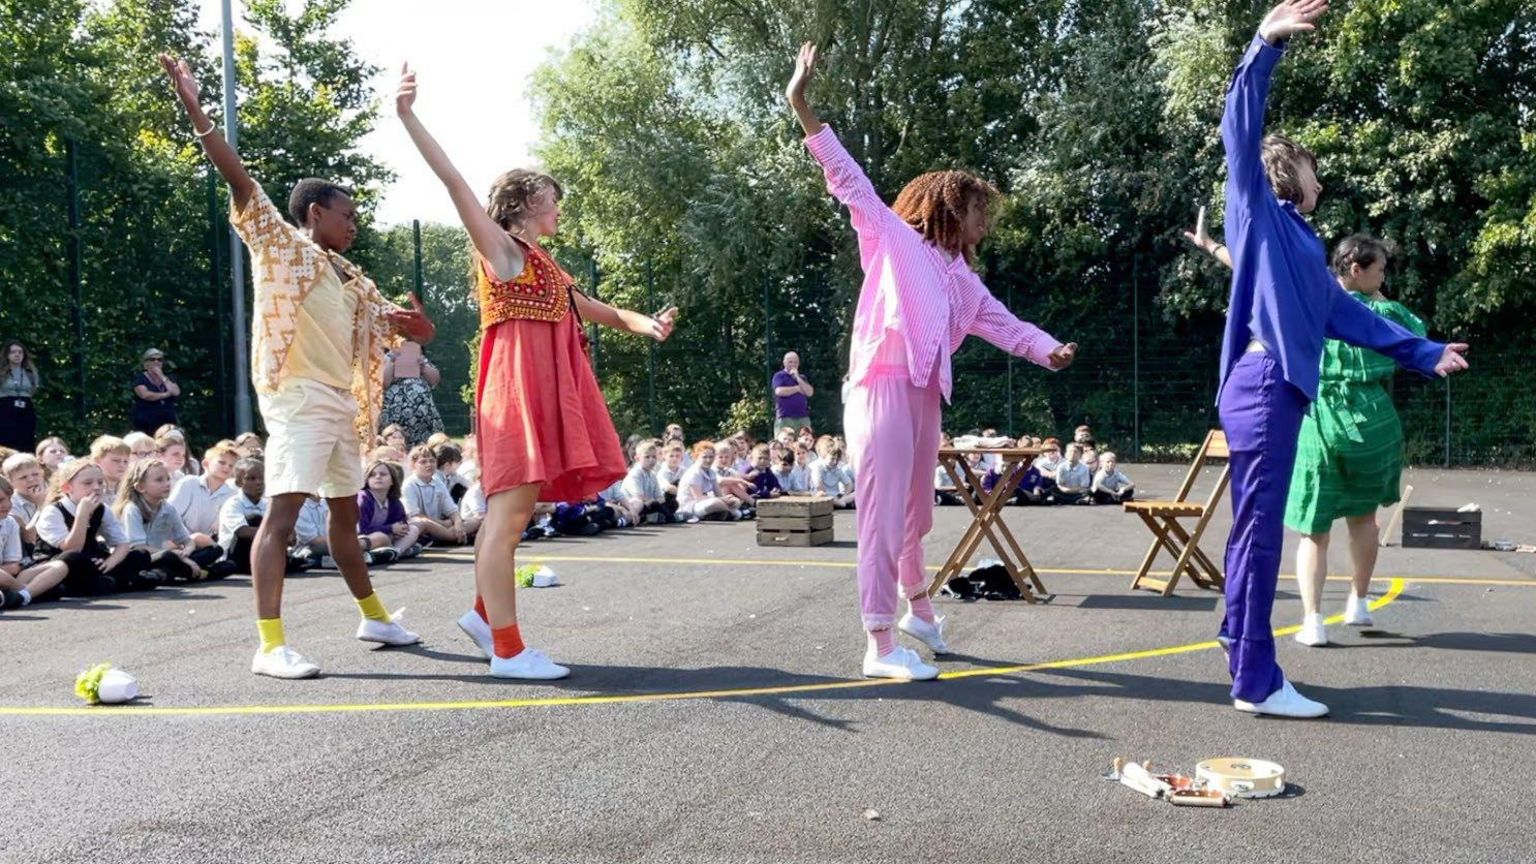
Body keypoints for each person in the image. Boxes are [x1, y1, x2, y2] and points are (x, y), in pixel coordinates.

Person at [1208, 1, 1468, 718]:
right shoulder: (1257, 208)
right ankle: (1256, 682)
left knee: (1255, 535)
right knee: (1260, 537)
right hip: (1263, 385)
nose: (1322, 173)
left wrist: (1424, 351)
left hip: (1277, 390)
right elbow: (1239, 130)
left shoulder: (1300, 244)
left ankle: (1245, 657)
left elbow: (1346, 315)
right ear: (1290, 169)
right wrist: (1264, 43)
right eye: (1312, 163)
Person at [788, 42, 1076, 680]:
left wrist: (1045, 349)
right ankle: (879, 642)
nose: (985, 222)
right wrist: (801, 104)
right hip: (881, 385)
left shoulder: (959, 275)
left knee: (917, 507)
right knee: (884, 511)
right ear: (950, 208)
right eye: (979, 211)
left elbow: (1002, 321)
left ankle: (917, 609)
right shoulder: (893, 236)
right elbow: (848, 179)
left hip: (923, 392)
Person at [395, 63, 675, 679]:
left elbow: (593, 309)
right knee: (508, 517)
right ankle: (508, 650)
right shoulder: (501, 249)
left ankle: (482, 617)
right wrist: (409, 117)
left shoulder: (544, 262)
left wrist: (645, 323)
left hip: (544, 388)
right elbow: (452, 181)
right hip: (516, 390)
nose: (557, 206)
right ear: (523, 204)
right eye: (549, 198)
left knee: (518, 515)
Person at [161, 53, 435, 679]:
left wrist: (419, 328)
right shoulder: (282, 244)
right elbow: (238, 181)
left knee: (344, 514)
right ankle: (269, 644)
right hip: (298, 396)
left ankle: (372, 615)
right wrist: (196, 109)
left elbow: (408, 328)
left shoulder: (351, 278)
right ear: (316, 213)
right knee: (281, 517)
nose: (355, 223)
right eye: (347, 214)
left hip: (338, 401)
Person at [1190, 222, 1430, 647]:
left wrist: (1211, 246)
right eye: (1379, 271)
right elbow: (1417, 334)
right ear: (1357, 269)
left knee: (1313, 529)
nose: (1383, 278)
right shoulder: (1385, 312)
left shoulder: (1310, 297)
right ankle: (1358, 602)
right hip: (1372, 420)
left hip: (1317, 417)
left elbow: (1252, 269)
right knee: (1364, 518)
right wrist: (1378, 300)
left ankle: (1313, 620)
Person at [35, 461, 165, 594]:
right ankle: (124, 581)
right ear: (68, 488)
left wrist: (108, 563)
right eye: (88, 483)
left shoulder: (102, 508)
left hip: (91, 560)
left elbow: (123, 544)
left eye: (100, 482)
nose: (97, 487)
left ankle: (115, 580)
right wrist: (82, 515)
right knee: (74, 558)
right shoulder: (53, 511)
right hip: (60, 561)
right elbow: (72, 548)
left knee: (140, 555)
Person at [114, 458, 219, 582]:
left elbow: (187, 540)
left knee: (216, 550)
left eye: (168, 479)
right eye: (159, 480)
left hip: (166, 556)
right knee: (167, 556)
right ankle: (203, 572)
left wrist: (187, 551)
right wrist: (179, 556)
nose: (167, 483)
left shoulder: (168, 508)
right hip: (142, 558)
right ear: (140, 487)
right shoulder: (132, 509)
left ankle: (170, 573)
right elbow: (138, 547)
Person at [0, 477, 69, 609]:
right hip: (7, 579)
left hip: (8, 578)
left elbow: (13, 566)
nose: (7, 505)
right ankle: (28, 592)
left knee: (59, 566)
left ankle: (21, 596)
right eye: (0, 500)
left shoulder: (10, 523)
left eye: (9, 499)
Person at [168, 441, 239, 549]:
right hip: (174, 540)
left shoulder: (232, 495)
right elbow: (169, 516)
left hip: (204, 545)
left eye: (231, 465)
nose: (227, 467)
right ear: (206, 464)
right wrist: (189, 539)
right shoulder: (189, 483)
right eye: (222, 462)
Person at [379, 340, 445, 447]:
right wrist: (392, 359)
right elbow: (384, 382)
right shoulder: (386, 358)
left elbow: (435, 379)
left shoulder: (419, 358)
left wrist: (422, 365)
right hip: (394, 419)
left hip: (423, 422)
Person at [357, 460, 418, 564]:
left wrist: (399, 530)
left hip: (388, 537)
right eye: (372, 475)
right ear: (367, 480)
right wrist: (390, 529)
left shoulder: (394, 501)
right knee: (380, 537)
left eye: (383, 474)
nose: (378, 477)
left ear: (392, 481)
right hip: (364, 538)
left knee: (413, 529)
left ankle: (394, 552)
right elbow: (362, 529)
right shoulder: (363, 498)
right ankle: (394, 552)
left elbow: (402, 524)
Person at [0, 340, 40, 452]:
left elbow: (33, 389)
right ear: (7, 355)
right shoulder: (1, 372)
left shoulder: (29, 372)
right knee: (6, 440)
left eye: (20, 352)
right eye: (13, 352)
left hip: (25, 407)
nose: (17, 355)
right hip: (5, 408)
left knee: (26, 439)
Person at [130, 348, 181, 435]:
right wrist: (166, 394)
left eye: (160, 360)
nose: (156, 362)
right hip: (146, 422)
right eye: (153, 359)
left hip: (168, 422)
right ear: (146, 363)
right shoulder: (140, 378)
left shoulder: (168, 377)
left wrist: (161, 375)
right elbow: (145, 395)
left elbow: (176, 392)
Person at [772, 352, 814, 433]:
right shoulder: (779, 376)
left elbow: (809, 392)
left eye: (795, 362)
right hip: (785, 417)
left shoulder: (802, 378)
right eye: (790, 362)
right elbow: (779, 391)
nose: (793, 364)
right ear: (784, 362)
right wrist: (797, 389)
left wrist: (797, 377)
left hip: (803, 417)